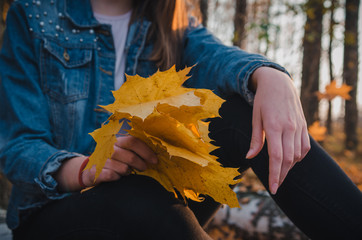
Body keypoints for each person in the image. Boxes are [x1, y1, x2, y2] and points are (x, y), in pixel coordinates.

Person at [0, 0, 361, 239]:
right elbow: (17, 145)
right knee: (141, 199)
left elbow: (218, 57)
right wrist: (85, 169)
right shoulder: (34, 14)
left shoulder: (171, 19)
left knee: (243, 113)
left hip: (153, 196)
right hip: (55, 213)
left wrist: (271, 76)